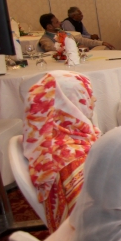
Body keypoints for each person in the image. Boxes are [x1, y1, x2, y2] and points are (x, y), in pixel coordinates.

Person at [22, 71, 100, 232]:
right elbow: (89, 214)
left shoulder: (50, 140)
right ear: (70, 102)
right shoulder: (71, 157)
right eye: (87, 94)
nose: (94, 99)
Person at [38, 13, 113, 52]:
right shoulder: (45, 39)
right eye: (57, 22)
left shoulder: (62, 33)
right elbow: (53, 48)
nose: (60, 23)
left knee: (104, 47)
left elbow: (80, 40)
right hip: (66, 62)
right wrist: (77, 48)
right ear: (49, 26)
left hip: (80, 54)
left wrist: (101, 43)